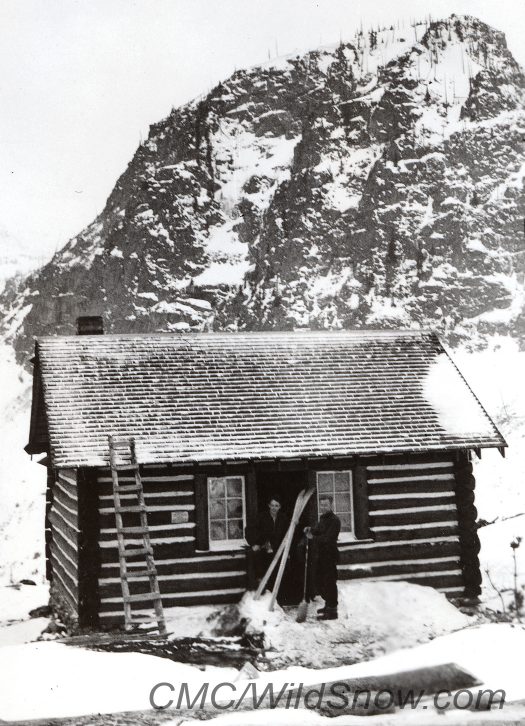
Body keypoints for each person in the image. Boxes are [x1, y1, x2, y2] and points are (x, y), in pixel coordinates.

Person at [304, 495, 341, 620]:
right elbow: (319, 531)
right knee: (321, 581)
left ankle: (332, 611)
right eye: (321, 505)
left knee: (329, 582)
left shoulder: (335, 520)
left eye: (325, 505)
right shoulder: (323, 519)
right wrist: (311, 529)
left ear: (331, 505)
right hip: (321, 555)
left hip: (330, 555)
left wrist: (312, 537)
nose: (323, 507)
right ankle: (328, 605)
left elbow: (328, 538)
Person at [245, 496, 289, 590]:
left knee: (281, 568)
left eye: (276, 506)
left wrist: (287, 550)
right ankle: (259, 586)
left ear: (280, 507)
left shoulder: (283, 518)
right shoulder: (261, 517)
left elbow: (287, 535)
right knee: (256, 558)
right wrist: (254, 543)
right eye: (272, 505)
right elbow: (249, 530)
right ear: (269, 506)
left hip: (278, 548)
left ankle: (277, 593)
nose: (274, 508)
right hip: (264, 546)